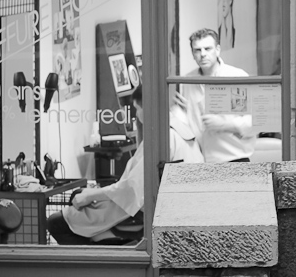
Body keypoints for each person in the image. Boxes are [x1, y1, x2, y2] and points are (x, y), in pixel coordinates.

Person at [47, 85, 203, 245]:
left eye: (137, 108)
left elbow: (132, 189)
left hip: (146, 213)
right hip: (175, 210)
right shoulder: (181, 131)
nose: (136, 114)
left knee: (56, 223)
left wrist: (91, 195)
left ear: (147, 107)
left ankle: (105, 255)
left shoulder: (161, 138)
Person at [174, 28, 254, 163]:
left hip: (234, 159)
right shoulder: (187, 81)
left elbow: (255, 121)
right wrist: (179, 112)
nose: (202, 54)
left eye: (207, 49)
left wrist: (224, 124)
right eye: (197, 50)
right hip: (199, 160)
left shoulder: (237, 77)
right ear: (192, 54)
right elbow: (188, 122)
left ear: (217, 50)